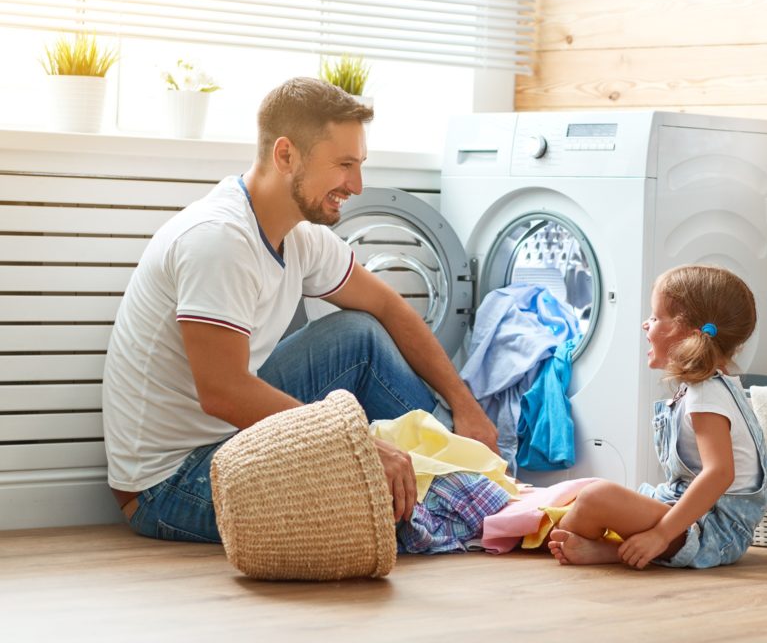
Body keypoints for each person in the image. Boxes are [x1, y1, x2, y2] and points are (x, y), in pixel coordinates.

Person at [102, 77, 498, 543]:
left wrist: (466, 405)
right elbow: (224, 393)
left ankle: (470, 470)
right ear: (285, 154)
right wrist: (358, 449)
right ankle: (467, 498)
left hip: (229, 438)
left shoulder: (299, 235)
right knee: (372, 501)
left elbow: (388, 306)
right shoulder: (219, 240)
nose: (356, 184)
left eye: (359, 164)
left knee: (359, 334)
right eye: (344, 165)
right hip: (170, 483)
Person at [547, 265, 767, 569]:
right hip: (694, 515)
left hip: (716, 531)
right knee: (584, 496)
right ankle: (609, 551)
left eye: (654, 317)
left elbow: (720, 473)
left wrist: (661, 534)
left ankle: (571, 540)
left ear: (684, 333)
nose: (644, 325)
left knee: (594, 498)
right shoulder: (704, 387)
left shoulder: (707, 393)